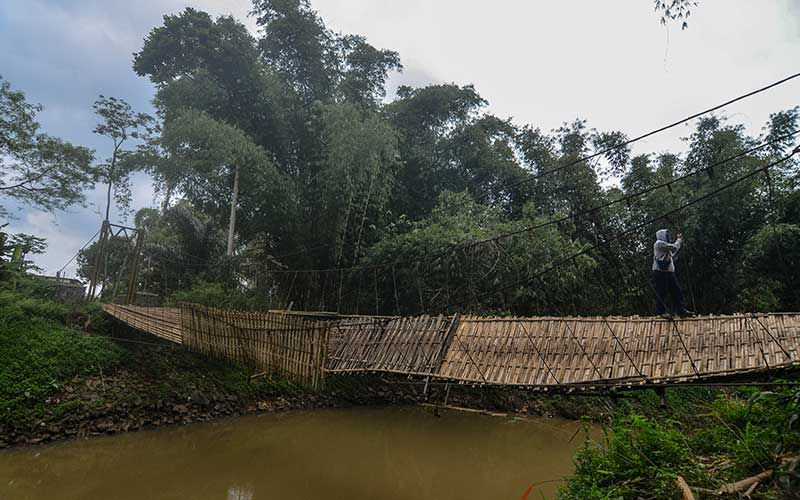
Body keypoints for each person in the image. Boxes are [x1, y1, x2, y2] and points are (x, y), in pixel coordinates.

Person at [652, 229, 693, 318]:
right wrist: (679, 240)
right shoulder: (659, 243)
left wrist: (679, 248)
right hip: (660, 272)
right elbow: (674, 247)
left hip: (668, 272)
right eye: (667, 235)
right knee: (662, 292)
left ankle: (680, 310)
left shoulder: (665, 247)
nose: (668, 237)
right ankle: (661, 312)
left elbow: (672, 257)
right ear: (662, 236)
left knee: (676, 291)